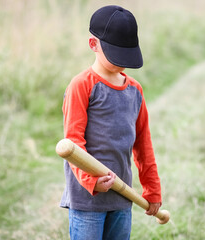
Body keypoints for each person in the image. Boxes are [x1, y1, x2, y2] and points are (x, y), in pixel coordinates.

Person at [60, 5, 162, 240]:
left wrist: (152, 189)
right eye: (115, 54)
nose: (121, 62)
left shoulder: (135, 90)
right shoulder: (82, 86)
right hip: (87, 200)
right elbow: (72, 143)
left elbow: (143, 145)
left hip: (122, 197)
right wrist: (92, 181)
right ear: (93, 44)